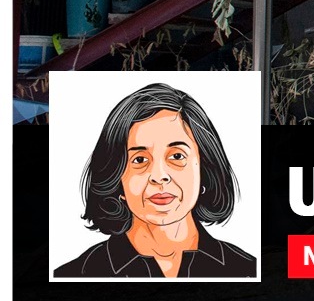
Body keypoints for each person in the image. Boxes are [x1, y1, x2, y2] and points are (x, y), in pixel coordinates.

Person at [54, 83, 256, 278]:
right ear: (115, 177)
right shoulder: (76, 274)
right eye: (140, 160)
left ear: (205, 167)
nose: (159, 176)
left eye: (177, 156)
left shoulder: (247, 270)